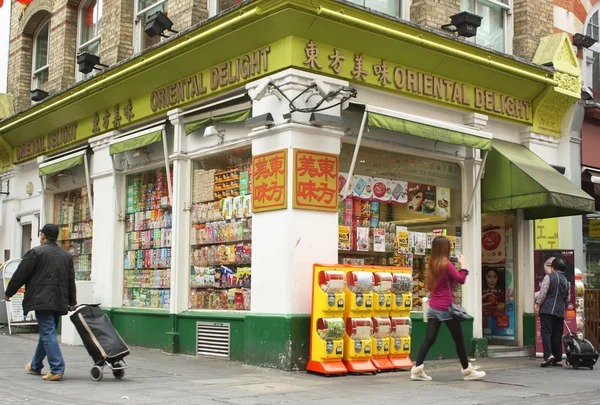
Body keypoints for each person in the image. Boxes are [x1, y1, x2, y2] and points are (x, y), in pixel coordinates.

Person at [4, 224, 77, 381]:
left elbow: (20, 274)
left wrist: (9, 292)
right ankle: (35, 365)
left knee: (47, 331)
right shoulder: (66, 256)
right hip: (59, 299)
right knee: (47, 331)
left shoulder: (36, 252)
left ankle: (57, 368)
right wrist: (72, 301)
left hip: (42, 298)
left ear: (43, 236)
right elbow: (71, 280)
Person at [411, 236, 486, 381]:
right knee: (459, 339)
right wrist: (463, 264)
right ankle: (467, 371)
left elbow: (429, 285)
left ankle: (417, 369)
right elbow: (461, 279)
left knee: (429, 339)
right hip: (446, 307)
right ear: (446, 248)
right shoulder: (447, 265)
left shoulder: (433, 264)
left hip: (433, 306)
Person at [535, 257, 570, 367]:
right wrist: (563, 308)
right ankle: (558, 358)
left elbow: (543, 292)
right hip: (560, 312)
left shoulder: (548, 277)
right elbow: (567, 299)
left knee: (546, 332)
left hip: (547, 310)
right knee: (557, 334)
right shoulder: (566, 281)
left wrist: (538, 304)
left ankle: (548, 355)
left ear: (553, 268)